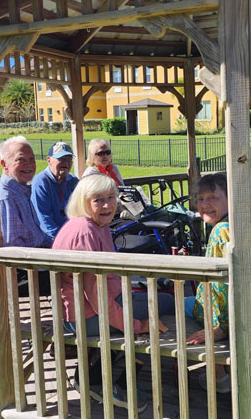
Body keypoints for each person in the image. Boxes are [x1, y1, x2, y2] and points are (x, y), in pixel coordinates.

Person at [52, 174, 174, 411]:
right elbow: (96, 297)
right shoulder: (85, 232)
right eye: (98, 200)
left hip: (89, 310)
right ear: (83, 201)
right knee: (167, 307)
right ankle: (121, 384)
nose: (107, 205)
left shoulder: (95, 225)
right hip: (83, 319)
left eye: (111, 198)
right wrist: (137, 325)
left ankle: (92, 375)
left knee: (162, 302)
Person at [184, 173, 251, 399]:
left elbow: (227, 285)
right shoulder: (241, 223)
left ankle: (218, 377)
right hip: (247, 306)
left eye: (213, 197)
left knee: (174, 308)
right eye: (201, 198)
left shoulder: (221, 231)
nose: (205, 204)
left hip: (223, 312)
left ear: (230, 199)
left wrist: (221, 327)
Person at [0, 136, 52, 295]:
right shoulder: (7, 197)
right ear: (4, 164)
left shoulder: (23, 190)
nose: (29, 165)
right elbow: (13, 252)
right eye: (21, 160)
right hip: (27, 273)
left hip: (40, 262)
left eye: (32, 159)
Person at [31, 141, 79, 241]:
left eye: (69, 159)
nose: (66, 163)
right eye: (61, 159)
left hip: (72, 234)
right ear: (48, 160)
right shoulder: (41, 182)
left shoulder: (73, 181)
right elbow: (44, 220)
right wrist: (64, 240)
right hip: (51, 239)